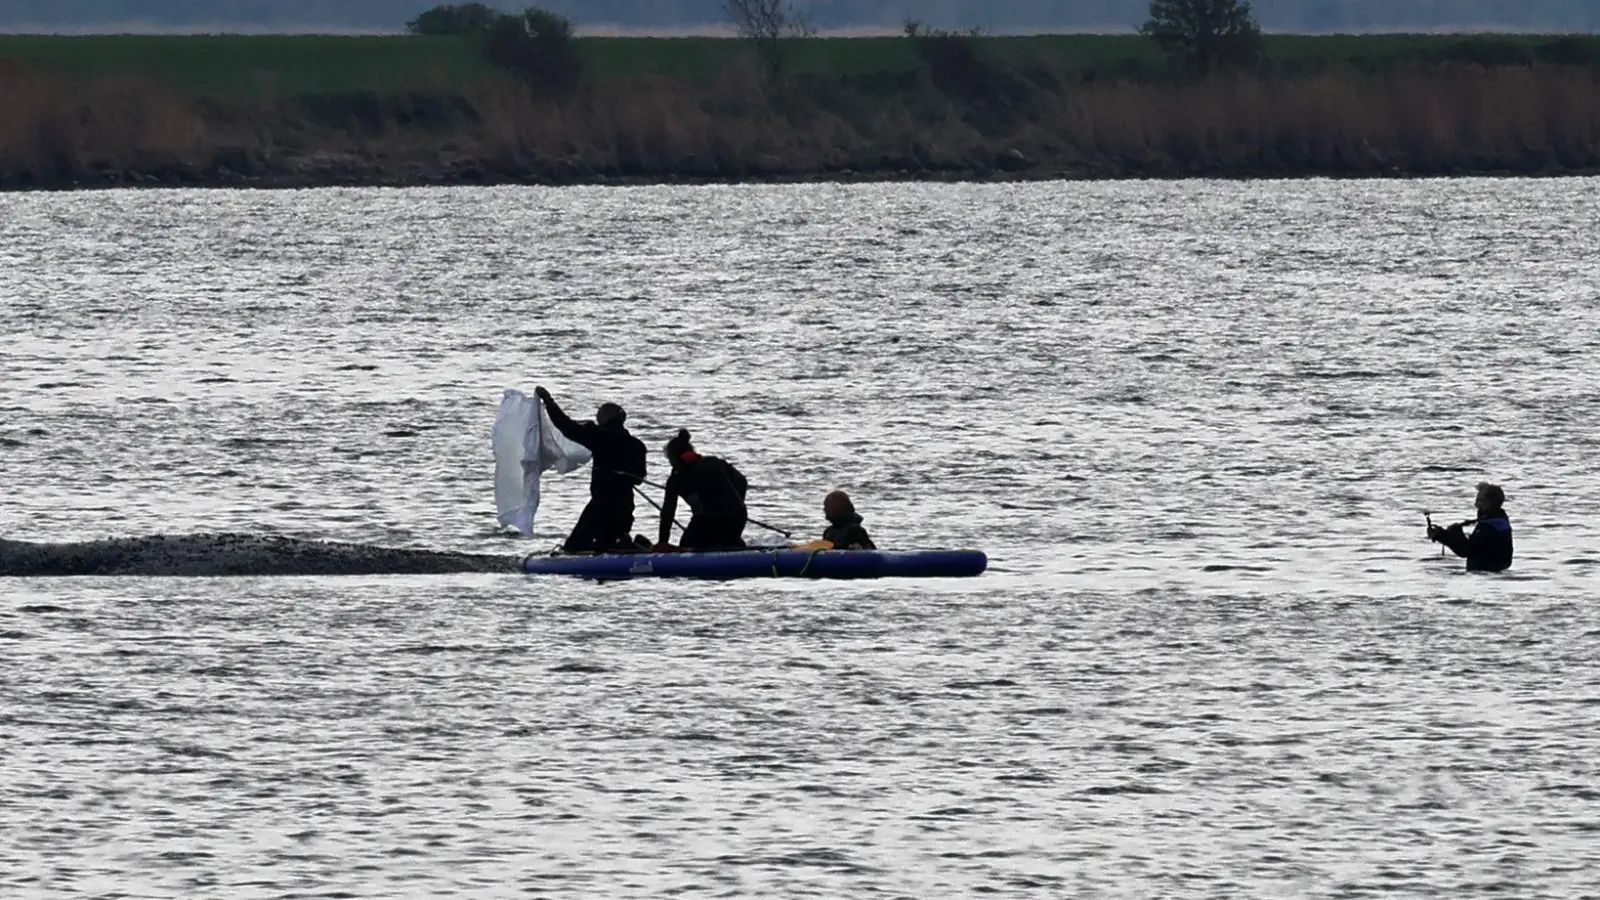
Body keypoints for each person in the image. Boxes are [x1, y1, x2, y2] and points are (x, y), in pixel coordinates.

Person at [535, 386, 646, 553]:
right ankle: (629, 545)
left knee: (574, 547)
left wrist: (549, 401)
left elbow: (567, 427)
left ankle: (626, 546)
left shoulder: (599, 437)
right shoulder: (637, 445)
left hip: (602, 507)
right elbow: (639, 478)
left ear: (604, 420)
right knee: (606, 544)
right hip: (624, 507)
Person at [656, 429, 748, 551]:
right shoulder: (714, 462)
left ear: (673, 459)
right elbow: (742, 482)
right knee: (727, 542)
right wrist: (737, 502)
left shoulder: (676, 480)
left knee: (686, 545)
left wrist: (663, 542)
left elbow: (668, 513)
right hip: (738, 515)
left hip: (709, 520)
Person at [1427, 481, 1513, 572]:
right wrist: (1442, 535)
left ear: (1489, 502)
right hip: (1490, 573)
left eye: (1479, 500)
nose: (1476, 505)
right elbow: (1471, 549)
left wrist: (1450, 535)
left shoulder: (1490, 526)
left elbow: (1467, 550)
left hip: (1486, 574)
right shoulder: (1499, 521)